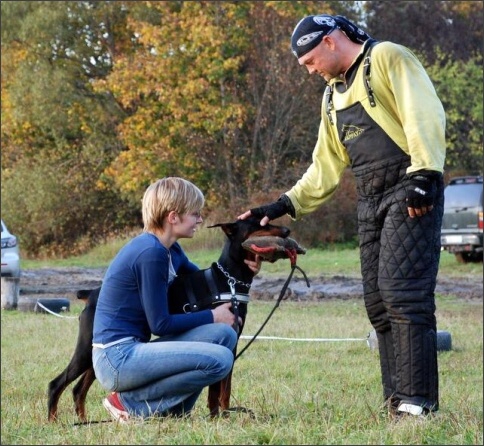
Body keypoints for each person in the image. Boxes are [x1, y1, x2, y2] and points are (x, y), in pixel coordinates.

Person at [238, 14, 446, 419]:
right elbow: (324, 167)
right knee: (378, 302)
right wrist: (281, 205)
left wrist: (426, 174)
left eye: (310, 60)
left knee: (404, 294)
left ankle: (419, 401)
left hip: (410, 187)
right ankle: (397, 400)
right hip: (370, 197)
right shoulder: (332, 95)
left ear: (331, 41)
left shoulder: (386, 58)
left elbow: (425, 112)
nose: (309, 70)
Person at [93, 177, 261, 423]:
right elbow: (159, 325)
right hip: (116, 358)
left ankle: (171, 413)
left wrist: (247, 271)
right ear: (173, 217)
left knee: (225, 336)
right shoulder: (151, 253)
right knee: (221, 360)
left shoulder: (171, 250)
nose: (200, 220)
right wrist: (214, 315)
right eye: (195, 214)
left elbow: (206, 282)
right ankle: (127, 403)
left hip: (132, 351)